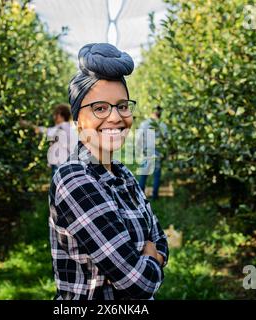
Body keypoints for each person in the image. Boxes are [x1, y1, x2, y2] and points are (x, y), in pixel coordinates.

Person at [48, 43, 169, 300]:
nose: (115, 117)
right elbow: (138, 285)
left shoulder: (123, 175)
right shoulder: (74, 179)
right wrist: (151, 258)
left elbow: (160, 239)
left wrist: (150, 255)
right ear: (77, 120)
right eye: (100, 108)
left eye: (123, 106)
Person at [34, 104, 76, 179]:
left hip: (60, 163)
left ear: (60, 115)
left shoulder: (62, 127)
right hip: (66, 162)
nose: (54, 117)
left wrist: (31, 126)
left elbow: (48, 131)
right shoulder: (70, 127)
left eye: (55, 114)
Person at [136, 105, 168, 200]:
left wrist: (139, 150)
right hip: (157, 152)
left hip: (146, 152)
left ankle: (141, 196)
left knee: (144, 174)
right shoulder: (163, 125)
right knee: (156, 175)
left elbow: (139, 139)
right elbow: (165, 140)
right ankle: (155, 195)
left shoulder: (144, 124)